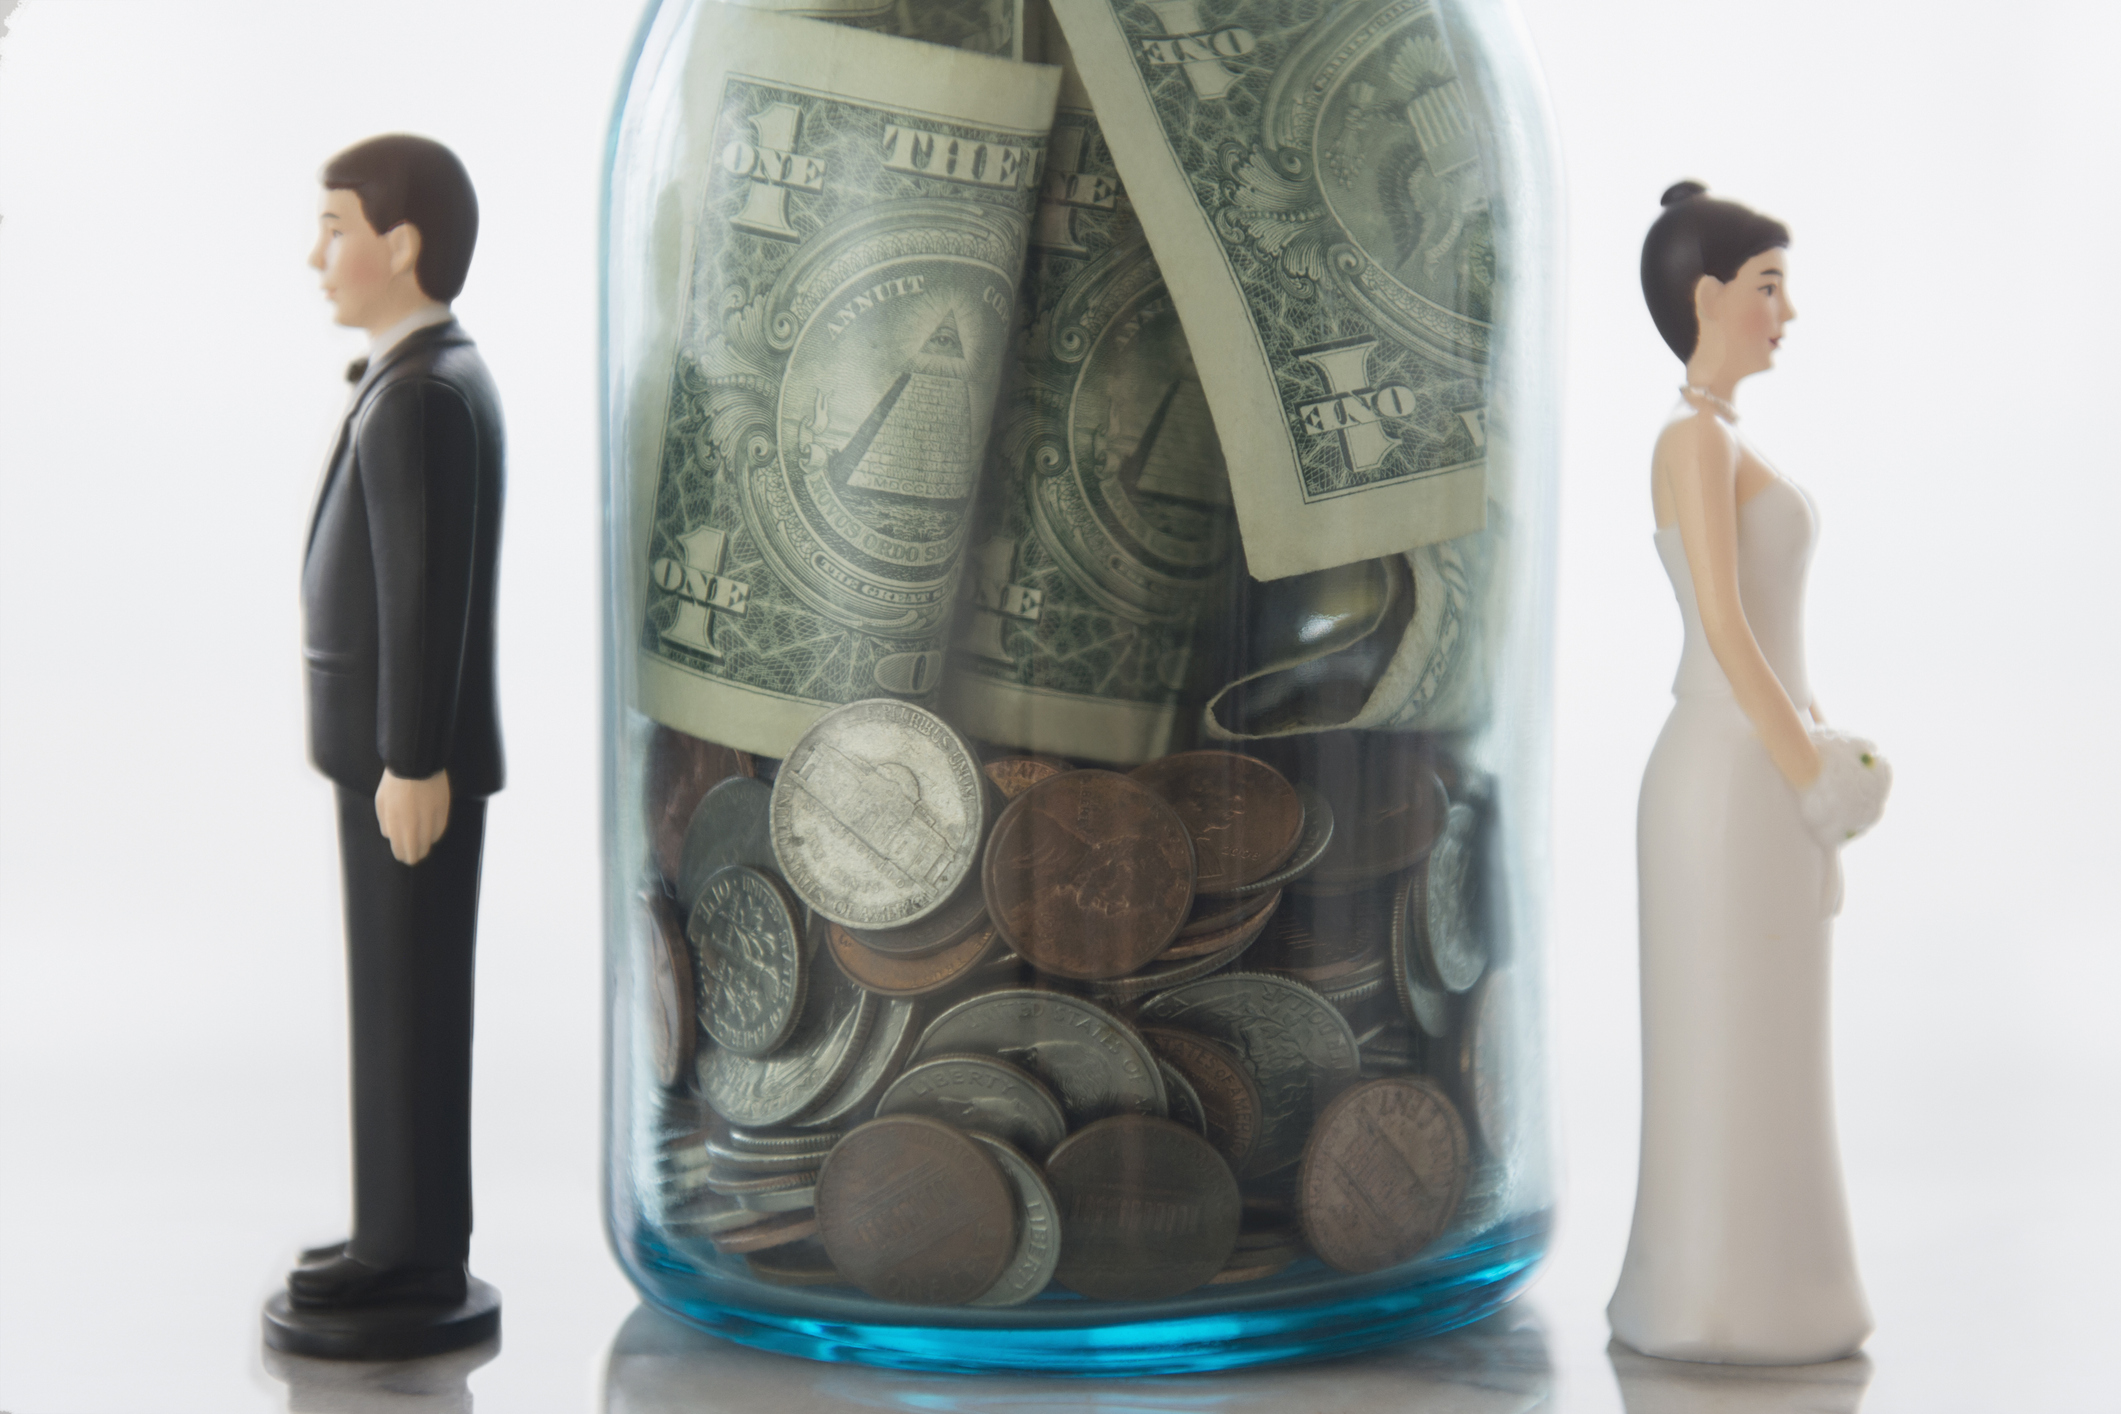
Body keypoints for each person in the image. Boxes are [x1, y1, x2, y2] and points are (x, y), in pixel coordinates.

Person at [1608, 182, 1889, 1364]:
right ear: (1707, 296)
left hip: (1761, 767)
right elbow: (1725, 626)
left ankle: (1787, 1288)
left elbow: (1772, 637)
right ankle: (1702, 1298)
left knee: (1771, 1039)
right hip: (1727, 775)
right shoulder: (1690, 442)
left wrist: (1818, 756)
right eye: (1770, 285)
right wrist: (1808, 770)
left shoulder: (1724, 440)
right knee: (1721, 1040)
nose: (1790, 310)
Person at [282, 134, 504, 1327]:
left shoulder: (422, 398)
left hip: (402, 768)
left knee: (408, 1001)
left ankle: (414, 1252)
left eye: (334, 227)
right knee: (391, 996)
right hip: (383, 760)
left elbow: (427, 596)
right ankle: (395, 1233)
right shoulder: (410, 378)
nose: (314, 254)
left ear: (401, 244)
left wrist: (414, 758)